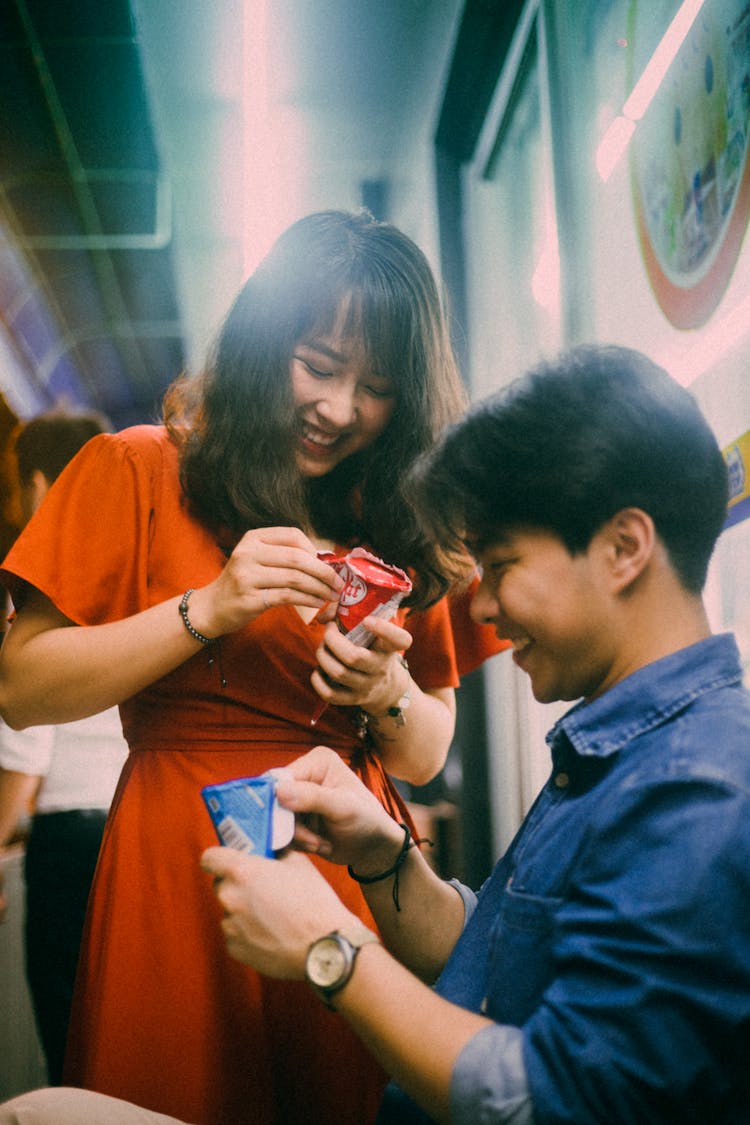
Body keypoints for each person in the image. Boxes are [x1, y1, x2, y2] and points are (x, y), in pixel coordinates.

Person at [0, 210, 504, 1124]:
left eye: (377, 387)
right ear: (264, 344)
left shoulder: (396, 514)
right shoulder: (143, 470)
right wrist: (210, 610)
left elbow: (426, 749)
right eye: (317, 365)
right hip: (176, 853)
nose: (340, 408)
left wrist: (385, 693)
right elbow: (22, 685)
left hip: (343, 858)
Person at [0, 411, 129, 1085]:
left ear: (44, 485)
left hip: (68, 841)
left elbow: (29, 739)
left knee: (68, 1035)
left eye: (19, 486)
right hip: (130, 825)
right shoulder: (134, 572)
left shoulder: (48, 580)